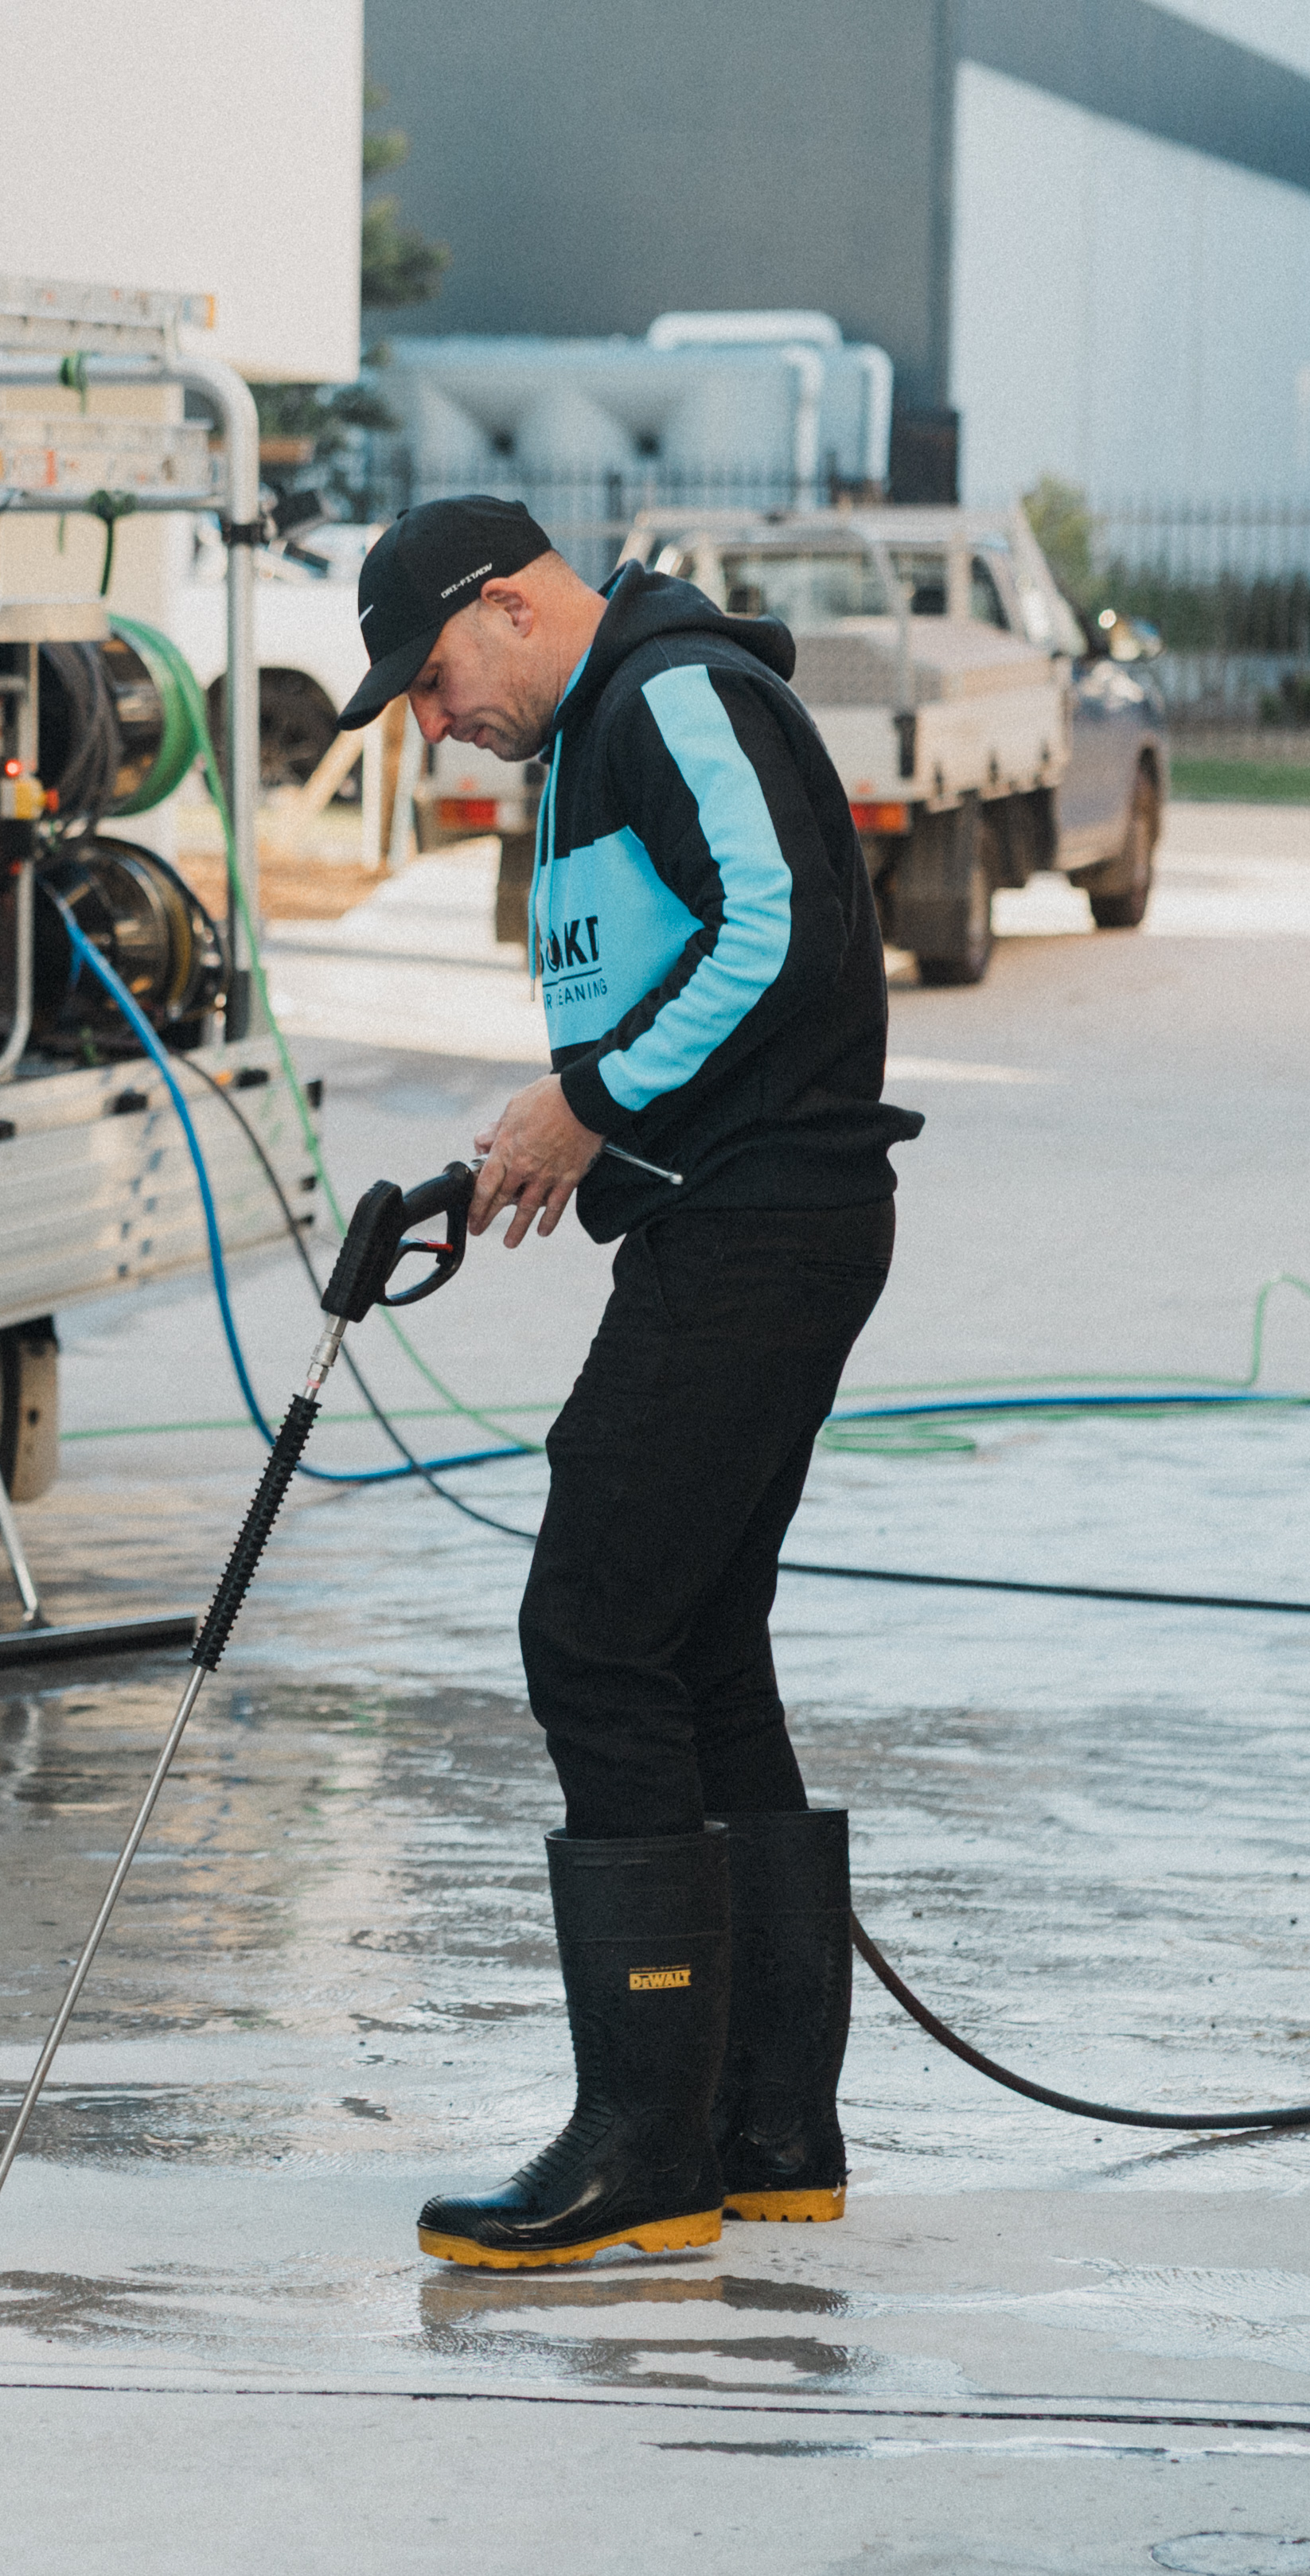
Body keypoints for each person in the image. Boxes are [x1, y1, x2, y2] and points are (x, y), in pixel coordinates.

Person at [333, 496, 921, 2270]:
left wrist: (589, 1102)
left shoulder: (670, 692)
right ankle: (767, 2129)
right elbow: (680, 976)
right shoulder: (600, 731)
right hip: (730, 1217)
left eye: (430, 674)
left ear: (511, 605)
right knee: (692, 1641)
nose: (429, 716)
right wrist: (547, 1141)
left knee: (590, 1630)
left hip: (761, 1225)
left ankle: (643, 2145)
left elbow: (778, 925)